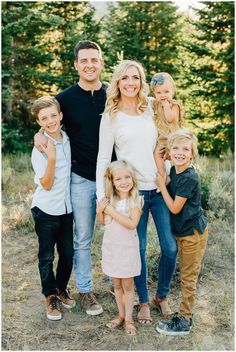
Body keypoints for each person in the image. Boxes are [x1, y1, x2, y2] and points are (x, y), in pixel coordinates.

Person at [96, 60, 178, 324]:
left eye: (136, 78)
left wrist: (168, 168)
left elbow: (169, 137)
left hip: (160, 189)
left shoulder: (152, 107)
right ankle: (143, 301)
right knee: (137, 251)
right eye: (125, 78)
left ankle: (161, 296)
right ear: (117, 82)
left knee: (170, 247)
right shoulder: (111, 116)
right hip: (133, 195)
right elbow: (102, 159)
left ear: (142, 82)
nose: (131, 83)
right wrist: (102, 196)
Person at [34, 40, 106, 316]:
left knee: (117, 234)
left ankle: (121, 284)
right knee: (83, 238)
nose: (89, 65)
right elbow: (45, 121)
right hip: (79, 179)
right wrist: (38, 136)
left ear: (101, 63)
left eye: (94, 60)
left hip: (111, 179)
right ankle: (86, 291)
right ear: (76, 65)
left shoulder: (112, 95)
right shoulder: (64, 98)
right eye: (83, 60)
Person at [155, 128, 208, 336]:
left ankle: (185, 320)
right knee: (185, 274)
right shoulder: (175, 169)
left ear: (192, 154)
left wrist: (160, 184)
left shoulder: (189, 177)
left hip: (192, 234)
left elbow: (175, 208)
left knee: (188, 276)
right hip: (183, 231)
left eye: (185, 149)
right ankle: (184, 314)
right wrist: (162, 158)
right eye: (175, 148)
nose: (180, 152)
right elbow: (166, 169)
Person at [31, 96, 75, 321]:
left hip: (67, 209)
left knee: (68, 254)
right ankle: (50, 295)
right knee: (47, 256)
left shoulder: (67, 138)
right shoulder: (40, 148)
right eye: (44, 118)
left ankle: (60, 288)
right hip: (46, 209)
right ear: (39, 122)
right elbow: (46, 184)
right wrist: (51, 158)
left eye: (53, 115)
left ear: (60, 116)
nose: (50, 121)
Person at [96, 160, 142, 335]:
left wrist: (110, 211)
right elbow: (102, 222)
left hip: (127, 249)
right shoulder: (109, 200)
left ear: (133, 178)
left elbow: (132, 224)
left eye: (127, 177)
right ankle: (121, 315)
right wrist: (101, 210)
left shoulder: (135, 200)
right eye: (119, 179)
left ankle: (129, 318)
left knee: (128, 285)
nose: (124, 181)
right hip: (111, 248)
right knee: (116, 284)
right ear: (112, 182)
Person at [151, 72, 184, 179]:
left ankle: (182, 176)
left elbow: (170, 118)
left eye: (166, 91)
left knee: (178, 156)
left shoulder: (174, 105)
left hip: (173, 137)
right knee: (158, 155)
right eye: (159, 93)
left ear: (173, 91)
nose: (163, 95)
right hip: (163, 138)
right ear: (154, 94)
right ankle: (164, 176)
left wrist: (166, 106)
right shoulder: (156, 104)